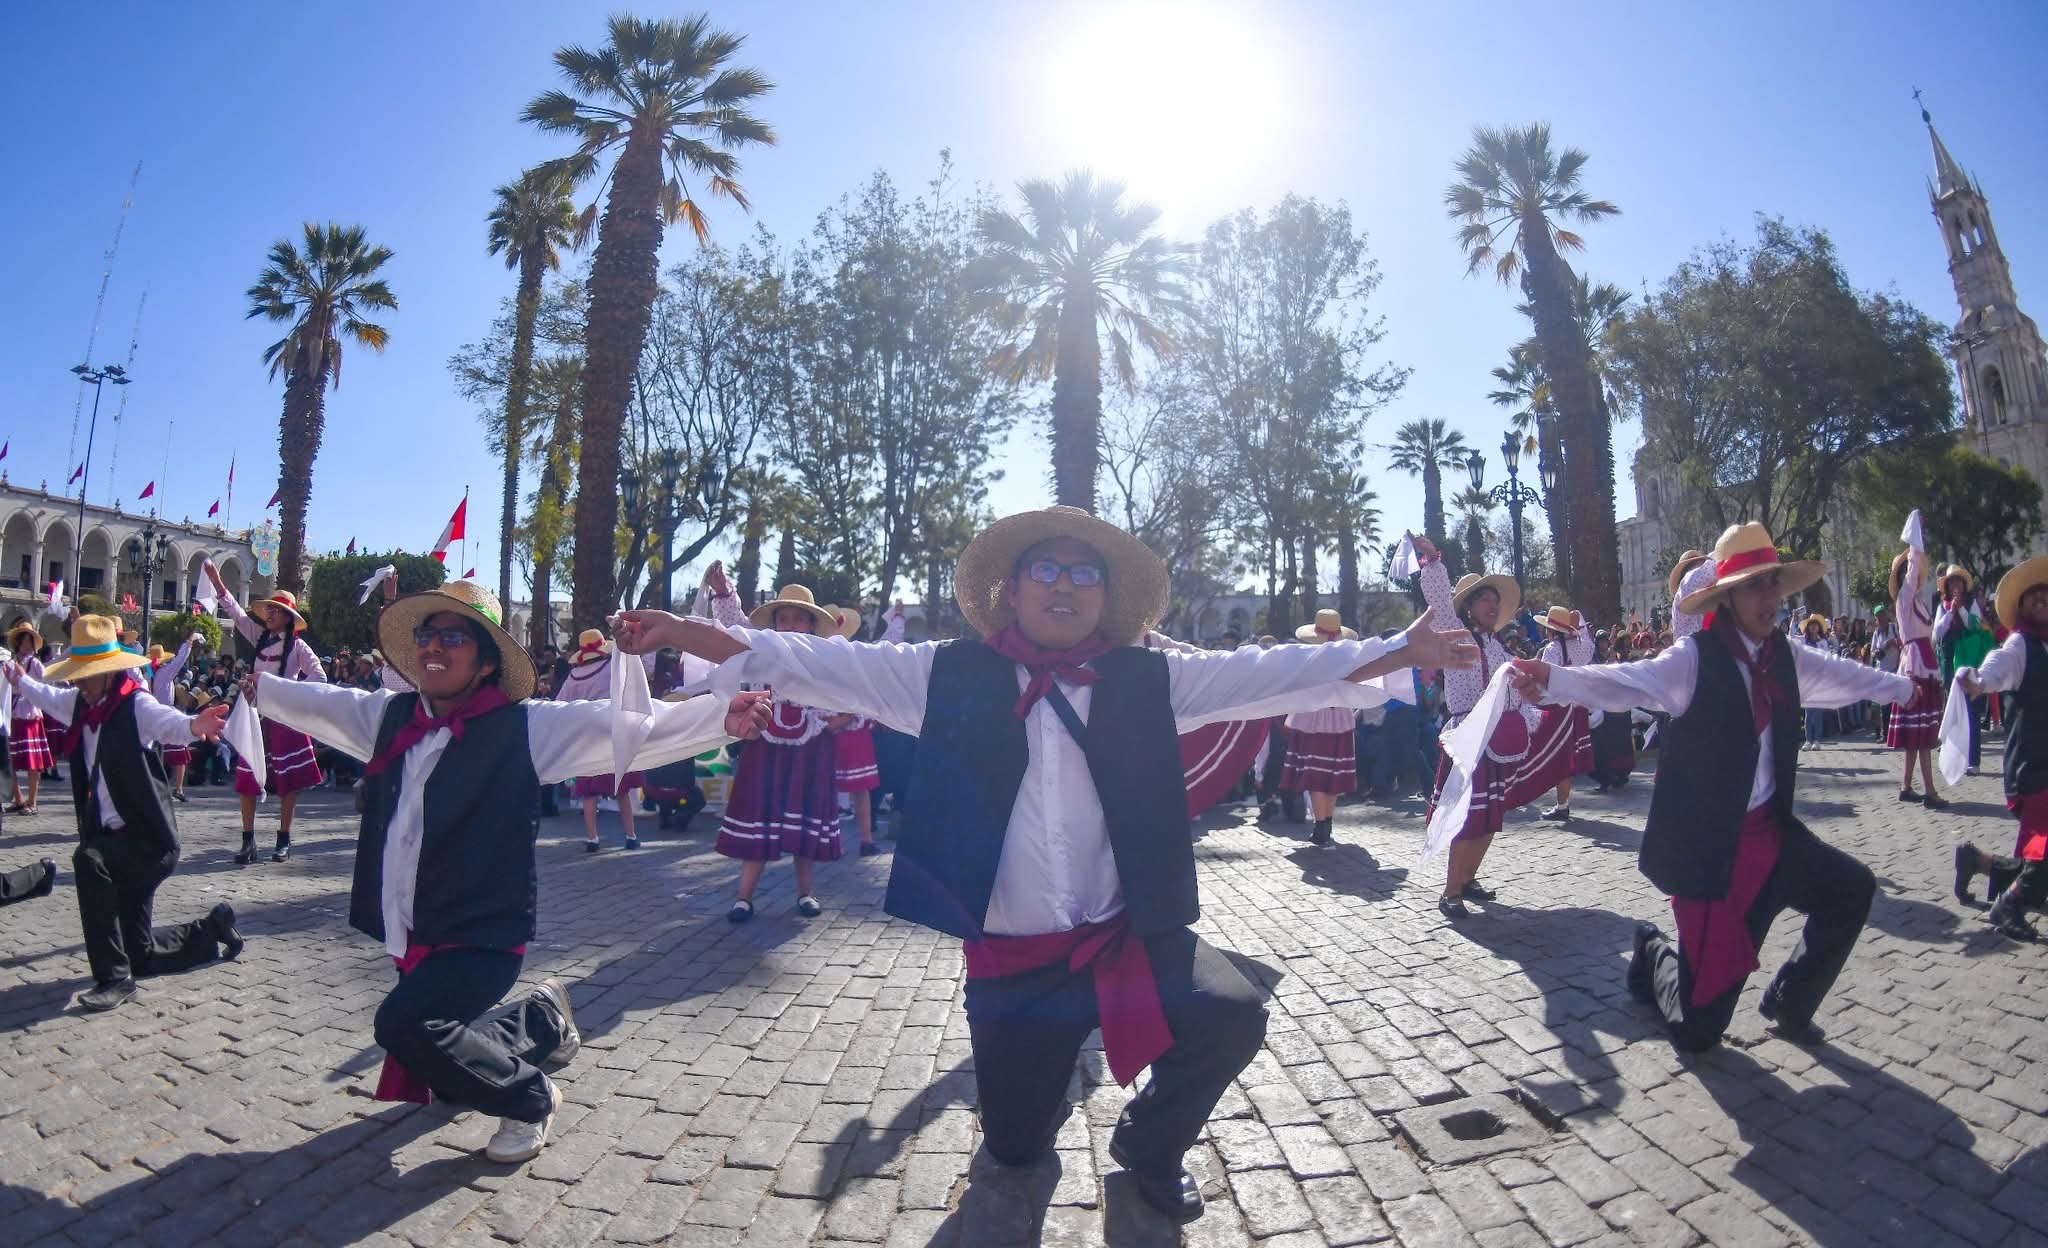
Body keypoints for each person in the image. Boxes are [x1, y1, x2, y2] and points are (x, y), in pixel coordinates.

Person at [615, 506, 1477, 1223]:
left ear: (1106, 597)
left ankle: (1148, 1143)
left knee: (1233, 1016)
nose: (1065, 587)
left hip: (1125, 937)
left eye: (1084, 574)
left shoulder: (1149, 678)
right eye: (1047, 572)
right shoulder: (941, 674)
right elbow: (816, 662)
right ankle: (1024, 1129)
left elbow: (1275, 672)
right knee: (1018, 1148)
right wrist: (694, 632)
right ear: (1013, 589)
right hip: (1012, 963)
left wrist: (1405, 649)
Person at [245, 581, 769, 1163]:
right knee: (446, 1060)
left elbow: (625, 729)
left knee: (402, 1026)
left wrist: (723, 718)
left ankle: (531, 1097)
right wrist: (262, 688)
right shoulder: (391, 716)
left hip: (481, 934)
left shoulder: (525, 726)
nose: (434, 648)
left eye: (453, 636)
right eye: (427, 635)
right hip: (415, 928)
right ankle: (542, 1021)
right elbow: (325, 704)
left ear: (487, 658)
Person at [1506, 523, 1917, 1051]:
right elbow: (1628, 680)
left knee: (1852, 889)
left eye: (1773, 583)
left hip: (1775, 838)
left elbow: (1846, 677)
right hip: (1716, 856)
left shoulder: (1786, 655)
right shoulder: (1694, 658)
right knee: (1699, 1033)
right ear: (1727, 597)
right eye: (1754, 585)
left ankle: (1789, 1002)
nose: (1770, 597)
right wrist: (1554, 679)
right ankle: (1653, 951)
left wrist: (1906, 687)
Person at [6, 614, 241, 1011]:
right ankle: (212, 930)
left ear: (106, 672)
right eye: (76, 673)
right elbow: (46, 697)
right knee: (140, 954)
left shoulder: (136, 704)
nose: (78, 681)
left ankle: (114, 980)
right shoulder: (81, 704)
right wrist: (19, 681)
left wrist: (195, 724)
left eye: (85, 673)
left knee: (89, 861)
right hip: (115, 840)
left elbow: (169, 724)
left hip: (149, 843)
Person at [1413, 534, 1587, 918]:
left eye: (1495, 601)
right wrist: (1433, 561)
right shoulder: (1454, 634)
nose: (1492, 606)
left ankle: (1468, 879)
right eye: (1484, 600)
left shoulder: (1498, 646)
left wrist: (1530, 707)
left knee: (1491, 815)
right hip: (1469, 742)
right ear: (1469, 608)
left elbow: (1515, 690)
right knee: (1469, 817)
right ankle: (1450, 891)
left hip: (1499, 741)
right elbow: (1440, 601)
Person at [708, 581, 846, 922]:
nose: (790, 625)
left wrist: (831, 720)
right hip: (765, 746)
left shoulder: (826, 658)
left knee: (803, 823)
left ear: (812, 625)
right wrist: (724, 593)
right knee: (759, 818)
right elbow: (736, 630)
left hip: (811, 749)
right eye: (783, 619)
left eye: (798, 619)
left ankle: (805, 893)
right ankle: (743, 897)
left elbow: (849, 697)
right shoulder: (762, 651)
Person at [1951, 554, 2048, 941]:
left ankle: (1978, 861)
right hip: (2034, 772)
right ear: (2021, 607)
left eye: (2046, 595)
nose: (2041, 600)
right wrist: (1977, 680)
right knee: (2042, 856)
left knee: (2039, 860)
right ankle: (2007, 905)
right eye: (2033, 597)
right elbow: (1997, 664)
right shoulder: (2021, 645)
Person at [202, 564, 327, 862]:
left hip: (285, 719)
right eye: (268, 609)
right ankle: (248, 841)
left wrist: (281, 689)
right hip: (256, 718)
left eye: (275, 610)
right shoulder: (259, 636)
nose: (269, 613)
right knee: (247, 778)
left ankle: (283, 839)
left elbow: (319, 678)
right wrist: (218, 583)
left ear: (288, 617)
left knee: (288, 782)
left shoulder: (299, 647)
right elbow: (236, 614)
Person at [556, 629, 646, 851]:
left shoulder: (573, 677)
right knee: (621, 790)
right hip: (612, 734)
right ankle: (630, 835)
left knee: (588, 793)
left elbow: (559, 705)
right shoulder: (612, 668)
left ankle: (592, 838)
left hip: (586, 738)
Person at [1281, 609, 1363, 847]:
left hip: (1313, 718)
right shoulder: (1347, 659)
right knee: (1331, 773)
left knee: (1317, 774)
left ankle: (1321, 825)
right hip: (1340, 718)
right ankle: (1325, 823)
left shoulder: (1309, 660)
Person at [1887, 537, 1948, 808]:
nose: (1913, 575)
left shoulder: (1918, 602)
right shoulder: (1904, 598)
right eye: (1908, 572)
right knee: (1922, 732)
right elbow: (1910, 579)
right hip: (1916, 666)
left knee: (1918, 733)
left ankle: (1906, 786)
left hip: (1924, 661)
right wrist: (1915, 544)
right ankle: (1930, 792)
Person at [825, 605, 884, 856]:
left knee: (860, 789)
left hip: (852, 730)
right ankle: (827, 841)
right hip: (830, 729)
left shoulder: (854, 657)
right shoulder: (822, 660)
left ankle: (865, 840)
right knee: (826, 789)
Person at [1532, 606, 1595, 821]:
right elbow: (1585, 634)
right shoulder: (1584, 646)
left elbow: (1545, 679)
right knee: (1569, 756)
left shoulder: (1552, 649)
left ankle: (1562, 805)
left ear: (1551, 630)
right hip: (1579, 705)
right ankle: (1563, 803)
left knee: (1560, 757)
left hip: (1560, 708)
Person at [147, 634, 201, 801]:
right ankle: (178, 789)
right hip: (166, 714)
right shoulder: (164, 672)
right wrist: (189, 643)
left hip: (151, 713)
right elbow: (179, 661)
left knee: (156, 754)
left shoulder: (149, 672)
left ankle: (155, 787)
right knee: (179, 752)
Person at [7, 620, 51, 814]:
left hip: (30, 715)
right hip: (12, 714)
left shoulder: (34, 663)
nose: (26, 643)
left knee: (32, 761)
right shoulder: (11, 662)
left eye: (29, 639)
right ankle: (18, 799)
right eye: (23, 639)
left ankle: (32, 802)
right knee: (10, 760)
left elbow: (45, 681)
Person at [1798, 615, 1832, 750]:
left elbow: (1826, 659)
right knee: (1808, 712)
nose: (1813, 627)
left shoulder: (1823, 642)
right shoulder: (1803, 641)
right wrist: (1794, 620)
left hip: (1819, 679)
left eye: (1815, 624)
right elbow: (1790, 637)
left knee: (1817, 711)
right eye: (1811, 624)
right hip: (1807, 679)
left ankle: (1817, 739)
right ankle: (1808, 739)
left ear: (1819, 627)